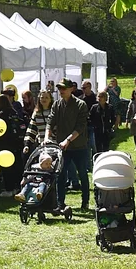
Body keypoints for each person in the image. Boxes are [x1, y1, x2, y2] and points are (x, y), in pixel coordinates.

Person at [45, 79, 90, 211]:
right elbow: (50, 122)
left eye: (64, 88)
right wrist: (47, 137)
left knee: (82, 174)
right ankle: (60, 204)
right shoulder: (57, 105)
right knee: (60, 174)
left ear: (71, 89)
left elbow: (80, 127)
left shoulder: (81, 105)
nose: (61, 91)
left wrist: (68, 140)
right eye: (59, 89)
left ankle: (85, 202)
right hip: (62, 148)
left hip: (79, 147)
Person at [0, 94, 23, 197]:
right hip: (16, 143)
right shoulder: (14, 113)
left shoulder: (2, 115)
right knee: (16, 166)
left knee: (7, 167)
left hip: (5, 144)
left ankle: (8, 189)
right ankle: (16, 187)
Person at [22, 90, 54, 160]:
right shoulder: (36, 113)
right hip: (42, 145)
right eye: (42, 97)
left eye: (46, 98)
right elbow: (31, 130)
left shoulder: (55, 112)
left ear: (51, 99)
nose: (44, 99)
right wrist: (27, 144)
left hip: (55, 145)